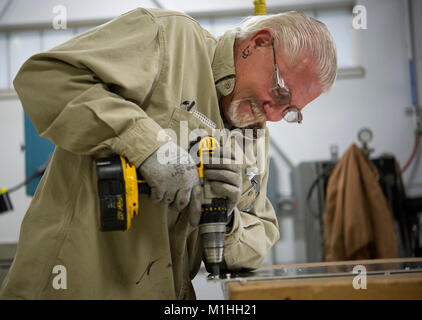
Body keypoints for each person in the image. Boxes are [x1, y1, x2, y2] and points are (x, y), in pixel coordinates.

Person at [0, 8, 337, 299]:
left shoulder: (253, 139)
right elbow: (44, 77)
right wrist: (147, 146)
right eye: (279, 91)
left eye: (291, 111)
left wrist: (227, 216)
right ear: (258, 43)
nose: (274, 114)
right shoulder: (171, 39)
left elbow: (255, 243)